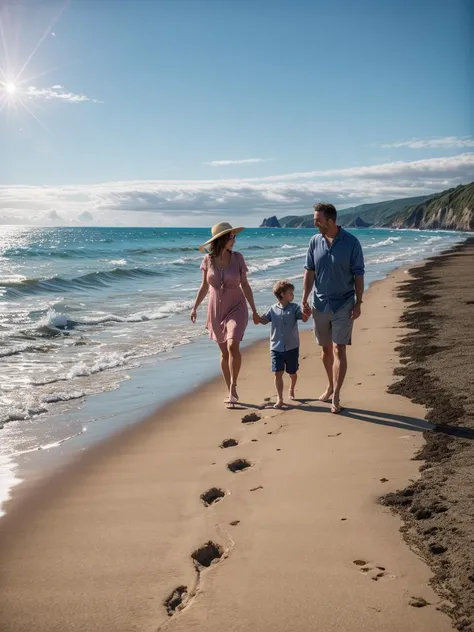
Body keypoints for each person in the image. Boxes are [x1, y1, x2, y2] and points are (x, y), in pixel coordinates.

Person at [301, 202, 365, 414]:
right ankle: (330, 385)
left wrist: (358, 302)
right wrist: (304, 298)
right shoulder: (314, 242)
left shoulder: (352, 243)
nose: (315, 223)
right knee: (325, 350)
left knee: (339, 348)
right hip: (320, 304)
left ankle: (336, 394)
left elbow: (358, 274)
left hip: (344, 303)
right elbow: (309, 272)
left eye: (318, 220)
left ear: (330, 221)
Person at [191, 222, 259, 408]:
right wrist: (195, 307)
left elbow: (245, 285)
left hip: (237, 307)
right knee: (223, 352)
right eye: (231, 237)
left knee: (232, 345)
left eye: (234, 236)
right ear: (221, 239)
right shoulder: (208, 261)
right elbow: (204, 286)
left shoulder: (238, 258)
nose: (234, 240)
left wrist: (254, 310)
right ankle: (229, 388)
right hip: (216, 310)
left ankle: (233, 388)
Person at [257, 280, 309, 409]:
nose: (293, 295)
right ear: (282, 294)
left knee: (292, 372)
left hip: (292, 346)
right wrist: (257, 318)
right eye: (290, 293)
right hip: (276, 347)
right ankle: (280, 398)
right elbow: (264, 320)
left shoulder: (295, 308)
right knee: (278, 373)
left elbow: (303, 318)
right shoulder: (273, 309)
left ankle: (291, 387)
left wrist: (307, 313)